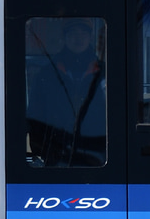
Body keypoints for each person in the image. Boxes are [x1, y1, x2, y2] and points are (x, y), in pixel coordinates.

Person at [25, 18, 107, 166]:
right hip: (56, 160)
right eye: (73, 33)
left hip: (98, 158)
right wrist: (43, 151)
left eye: (83, 33)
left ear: (90, 37)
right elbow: (35, 115)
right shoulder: (47, 74)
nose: (78, 38)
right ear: (64, 37)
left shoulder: (104, 73)